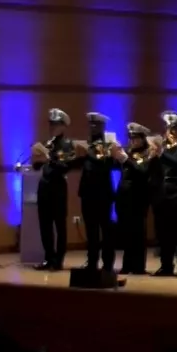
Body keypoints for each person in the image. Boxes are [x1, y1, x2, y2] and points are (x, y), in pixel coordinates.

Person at [27, 108, 73, 270]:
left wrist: (48, 156)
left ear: (63, 126)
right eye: (51, 124)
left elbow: (64, 167)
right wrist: (37, 159)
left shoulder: (66, 145)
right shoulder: (49, 144)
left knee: (59, 225)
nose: (52, 127)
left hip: (58, 188)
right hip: (44, 187)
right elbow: (40, 165)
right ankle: (48, 257)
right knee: (44, 225)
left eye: (56, 124)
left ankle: (58, 260)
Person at [150, 112, 177, 276]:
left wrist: (162, 155)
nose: (170, 131)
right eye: (168, 128)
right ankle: (166, 266)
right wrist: (154, 156)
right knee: (164, 233)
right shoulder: (163, 147)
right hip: (163, 193)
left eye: (174, 128)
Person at [110, 122, 154, 275]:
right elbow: (116, 166)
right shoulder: (128, 152)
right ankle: (127, 264)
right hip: (123, 198)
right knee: (126, 233)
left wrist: (125, 159)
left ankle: (138, 266)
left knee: (138, 233)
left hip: (138, 198)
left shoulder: (148, 153)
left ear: (142, 139)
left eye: (135, 138)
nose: (132, 141)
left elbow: (142, 171)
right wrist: (114, 154)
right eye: (131, 138)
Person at [77, 112, 117, 271]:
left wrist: (88, 152)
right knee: (90, 230)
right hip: (87, 192)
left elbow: (105, 163)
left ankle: (108, 263)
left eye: (96, 125)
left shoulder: (108, 143)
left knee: (105, 229)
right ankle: (92, 261)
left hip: (103, 193)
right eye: (91, 124)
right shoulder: (87, 144)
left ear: (102, 126)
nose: (92, 127)